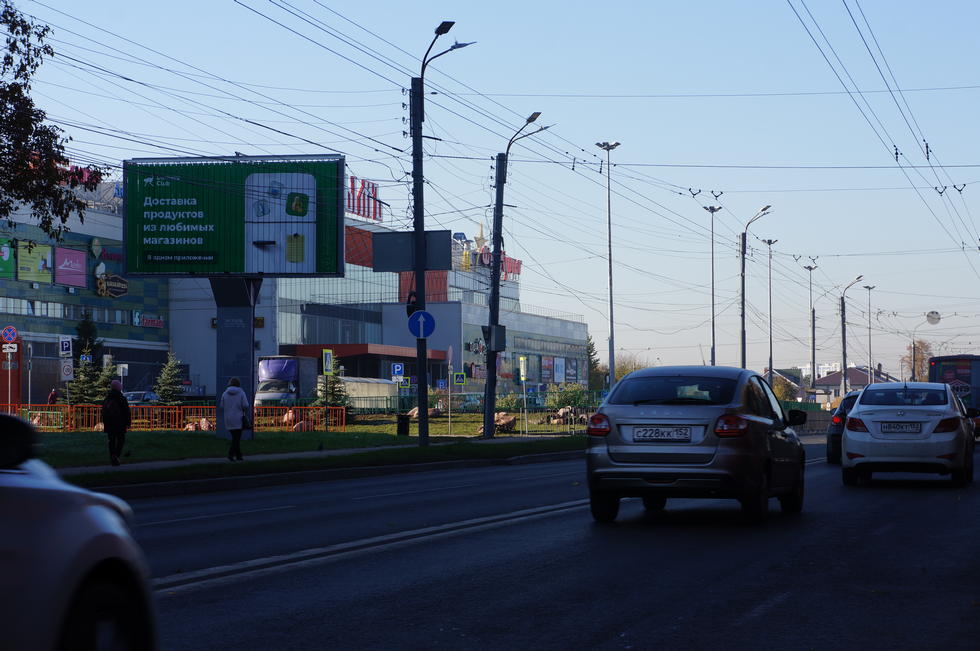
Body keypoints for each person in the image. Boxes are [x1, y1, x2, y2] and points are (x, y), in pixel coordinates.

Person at [218, 377, 251, 461]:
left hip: (228, 418)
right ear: (238, 384)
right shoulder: (241, 393)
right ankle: (231, 454)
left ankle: (239, 456)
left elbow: (221, 406)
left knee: (235, 437)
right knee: (236, 438)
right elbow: (246, 405)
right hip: (238, 418)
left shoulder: (225, 393)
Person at [100, 380, 130, 467]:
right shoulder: (121, 398)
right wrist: (128, 423)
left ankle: (112, 456)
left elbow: (103, 411)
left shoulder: (107, 398)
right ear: (119, 387)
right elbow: (126, 411)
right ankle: (116, 456)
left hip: (109, 424)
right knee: (121, 440)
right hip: (119, 423)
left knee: (111, 441)